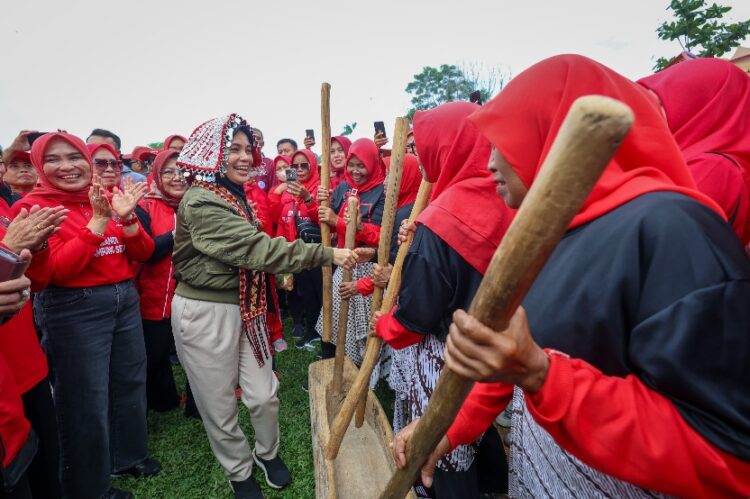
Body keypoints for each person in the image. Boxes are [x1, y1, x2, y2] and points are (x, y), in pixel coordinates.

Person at [393, 54, 750, 498]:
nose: (488, 166)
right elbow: (520, 359)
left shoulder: (672, 231)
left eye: (500, 143)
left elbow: (731, 454)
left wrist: (545, 377)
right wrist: (447, 432)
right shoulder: (550, 236)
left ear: (549, 137)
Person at [170, 114, 356, 499]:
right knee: (219, 404)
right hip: (207, 312)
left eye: (247, 149)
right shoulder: (202, 199)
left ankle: (267, 454)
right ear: (210, 154)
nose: (243, 157)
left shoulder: (236, 193)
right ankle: (239, 472)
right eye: (232, 149)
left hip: (248, 306)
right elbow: (258, 249)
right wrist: (328, 254)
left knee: (264, 393)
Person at [372, 102, 511, 498]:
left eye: (422, 145)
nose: (417, 155)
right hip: (496, 358)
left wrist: (383, 325)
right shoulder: (507, 197)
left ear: (444, 146)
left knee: (443, 457)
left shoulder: (443, 219)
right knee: (479, 437)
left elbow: (415, 321)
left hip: (448, 359)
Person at [14, 132, 160, 499]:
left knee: (129, 381)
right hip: (73, 309)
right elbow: (54, 274)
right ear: (39, 167)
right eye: (54, 159)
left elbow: (142, 253)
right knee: (85, 400)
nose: (66, 166)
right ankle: (90, 488)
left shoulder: (106, 197)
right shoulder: (33, 209)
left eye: (74, 157)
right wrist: (97, 223)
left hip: (123, 298)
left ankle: (129, 456)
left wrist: (126, 223)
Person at [638, 57, 750, 246]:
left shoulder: (714, 168)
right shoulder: (687, 161)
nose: (650, 113)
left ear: (700, 109)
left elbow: (651, 239)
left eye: (663, 104)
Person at [1, 206, 67, 499]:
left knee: (44, 469)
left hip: (26, 367)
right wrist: (8, 250)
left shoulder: (4, 208)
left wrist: (36, 247)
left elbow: (37, 281)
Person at [312, 138, 385, 368]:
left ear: (372, 164)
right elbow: (327, 222)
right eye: (351, 165)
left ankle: (359, 370)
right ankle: (333, 363)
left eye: (361, 165)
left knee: (359, 325)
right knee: (333, 315)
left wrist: (345, 224)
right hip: (344, 261)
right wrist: (315, 202)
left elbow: (383, 237)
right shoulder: (343, 186)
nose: (355, 171)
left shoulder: (382, 192)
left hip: (366, 266)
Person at [134, 150, 185, 412]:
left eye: (182, 171)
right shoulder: (145, 205)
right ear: (156, 175)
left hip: (193, 296)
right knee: (155, 355)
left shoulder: (200, 204)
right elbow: (145, 252)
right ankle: (163, 400)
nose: (177, 178)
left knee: (196, 355)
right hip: (154, 295)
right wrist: (176, 235)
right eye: (169, 171)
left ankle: (198, 404)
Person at [269, 149, 323, 349]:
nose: (299, 170)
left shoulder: (321, 188)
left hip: (317, 252)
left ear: (312, 165)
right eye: (295, 166)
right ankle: (310, 329)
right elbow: (276, 217)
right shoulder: (287, 191)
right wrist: (279, 192)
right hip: (295, 251)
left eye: (304, 165)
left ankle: (325, 332)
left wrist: (308, 198)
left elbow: (324, 221)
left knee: (320, 292)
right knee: (303, 292)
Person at [250, 128, 275, 193]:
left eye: (258, 138)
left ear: (263, 143)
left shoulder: (271, 163)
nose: (255, 140)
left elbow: (274, 191)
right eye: (252, 137)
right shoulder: (239, 161)